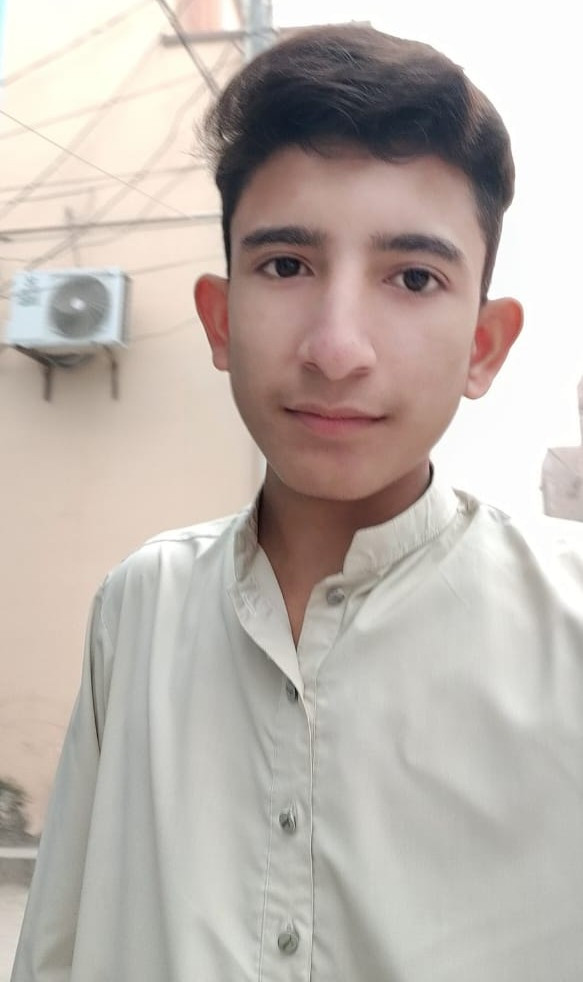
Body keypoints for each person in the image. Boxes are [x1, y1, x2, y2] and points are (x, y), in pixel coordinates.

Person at [11, 23, 583, 982]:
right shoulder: (140, 609)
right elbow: (57, 946)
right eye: (285, 265)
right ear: (220, 318)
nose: (335, 348)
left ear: (483, 346)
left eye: (413, 277)